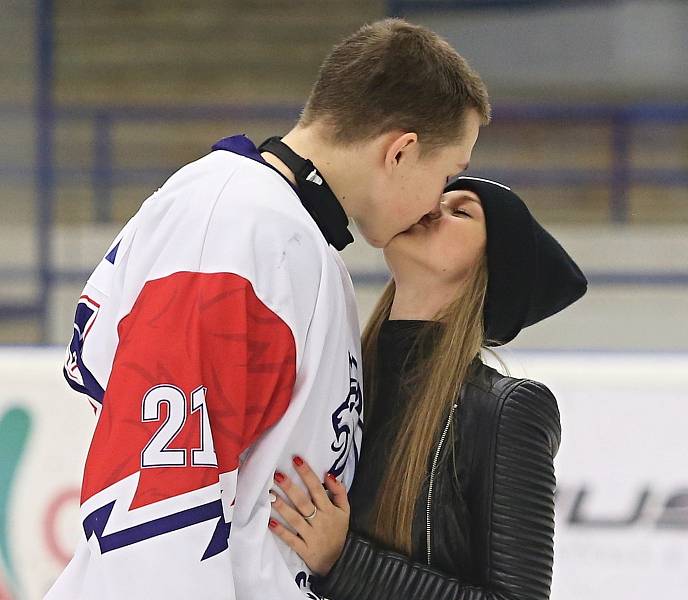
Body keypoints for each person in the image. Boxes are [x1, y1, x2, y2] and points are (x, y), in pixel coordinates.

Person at [46, 19, 490, 600]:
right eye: (448, 175)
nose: (438, 200)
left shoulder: (298, 240)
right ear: (401, 150)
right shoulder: (238, 226)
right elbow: (158, 507)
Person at [267, 176, 588, 600]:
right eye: (439, 197)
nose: (432, 207)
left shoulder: (507, 410)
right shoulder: (336, 375)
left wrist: (345, 561)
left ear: (491, 266)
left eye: (461, 211)